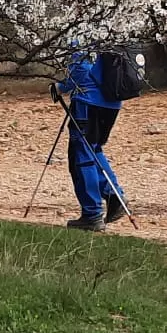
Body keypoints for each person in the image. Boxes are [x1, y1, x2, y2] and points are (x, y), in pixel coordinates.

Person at [57, 46, 125, 231]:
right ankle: (114, 196)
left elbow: (79, 72)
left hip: (89, 103)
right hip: (112, 102)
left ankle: (92, 213)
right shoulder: (108, 30)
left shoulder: (80, 31)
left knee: (82, 157)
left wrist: (59, 87)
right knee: (93, 149)